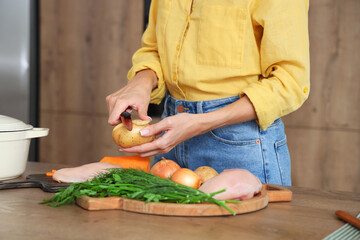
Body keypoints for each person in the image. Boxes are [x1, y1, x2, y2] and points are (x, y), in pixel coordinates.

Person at [106, 0, 310, 186]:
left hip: (241, 146)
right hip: (171, 142)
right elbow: (154, 49)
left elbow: (290, 81)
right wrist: (142, 80)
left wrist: (202, 121)